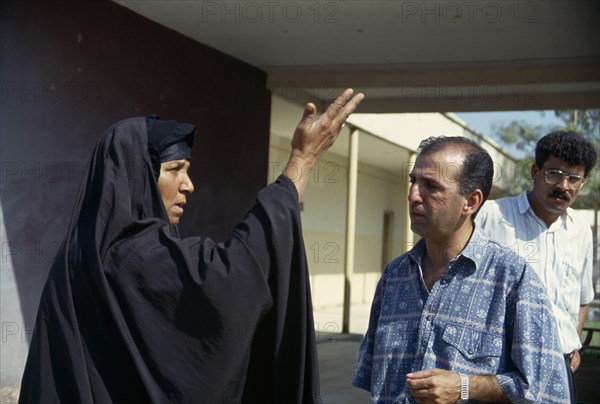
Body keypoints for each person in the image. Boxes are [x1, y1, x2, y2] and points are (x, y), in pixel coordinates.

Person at [18, 89, 364, 404]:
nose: (189, 185)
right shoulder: (132, 255)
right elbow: (232, 274)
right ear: (139, 178)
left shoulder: (78, 257)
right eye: (175, 169)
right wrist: (301, 162)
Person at [351, 136, 570, 403]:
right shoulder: (395, 276)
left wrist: (465, 387)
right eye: (413, 181)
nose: (413, 195)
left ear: (471, 202)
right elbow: (373, 377)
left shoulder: (513, 280)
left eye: (431, 186)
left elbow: (546, 391)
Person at [476, 130, 598, 403]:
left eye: (574, 178)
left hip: (560, 367)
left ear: (583, 182)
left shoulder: (581, 231)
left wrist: (572, 342)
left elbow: (582, 297)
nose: (563, 185)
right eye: (554, 173)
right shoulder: (491, 217)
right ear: (535, 171)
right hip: (498, 369)